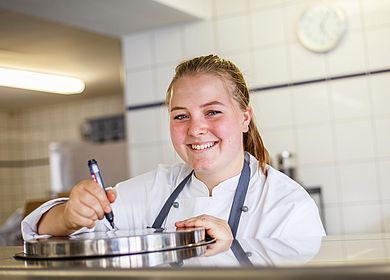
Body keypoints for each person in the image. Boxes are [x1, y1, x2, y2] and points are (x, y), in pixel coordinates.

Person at [22, 54, 325, 241]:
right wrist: (71, 215)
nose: (195, 129)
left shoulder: (286, 204)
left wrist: (234, 250)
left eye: (212, 112)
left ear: (244, 117)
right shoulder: (156, 187)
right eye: (181, 116)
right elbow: (45, 229)